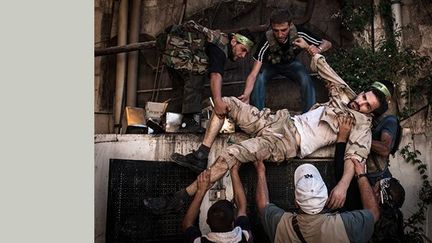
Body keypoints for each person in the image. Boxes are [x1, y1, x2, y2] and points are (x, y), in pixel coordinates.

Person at [144, 38, 389, 213]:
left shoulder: (362, 127)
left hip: (288, 141)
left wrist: (343, 186)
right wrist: (311, 50)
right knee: (226, 103)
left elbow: (355, 159)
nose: (360, 103)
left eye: (367, 106)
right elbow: (329, 74)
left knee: (231, 153)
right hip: (280, 120)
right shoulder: (349, 96)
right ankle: (201, 154)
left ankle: (180, 197)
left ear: (372, 113)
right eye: (364, 97)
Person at [156, 20, 255, 132]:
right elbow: (216, 75)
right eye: (243, 50)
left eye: (246, 53)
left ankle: (169, 124)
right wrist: (218, 101)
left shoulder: (219, 43)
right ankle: (190, 123)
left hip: (170, 51)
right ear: (233, 42)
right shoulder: (220, 49)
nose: (243, 55)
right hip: (176, 50)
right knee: (195, 78)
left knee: (180, 90)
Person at [254, 160, 379, 243]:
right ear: (326, 199)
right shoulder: (346, 226)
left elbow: (262, 206)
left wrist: (260, 171)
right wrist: (361, 175)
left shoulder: (280, 225)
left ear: (296, 202)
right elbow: (373, 213)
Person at [238, 9, 332, 112]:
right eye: (276, 30)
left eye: (284, 30)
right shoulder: (266, 40)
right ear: (271, 27)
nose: (280, 35)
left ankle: (309, 116)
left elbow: (327, 43)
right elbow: (253, 74)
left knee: (305, 78)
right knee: (259, 78)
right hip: (271, 66)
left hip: (291, 65)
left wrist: (318, 49)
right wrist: (246, 94)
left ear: (290, 25)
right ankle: (258, 116)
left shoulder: (299, 33)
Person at [182, 163, 253, 243]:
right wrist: (234, 171)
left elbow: (187, 224)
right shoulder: (243, 237)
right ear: (233, 222)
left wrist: (200, 191)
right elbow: (242, 207)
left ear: (207, 221)